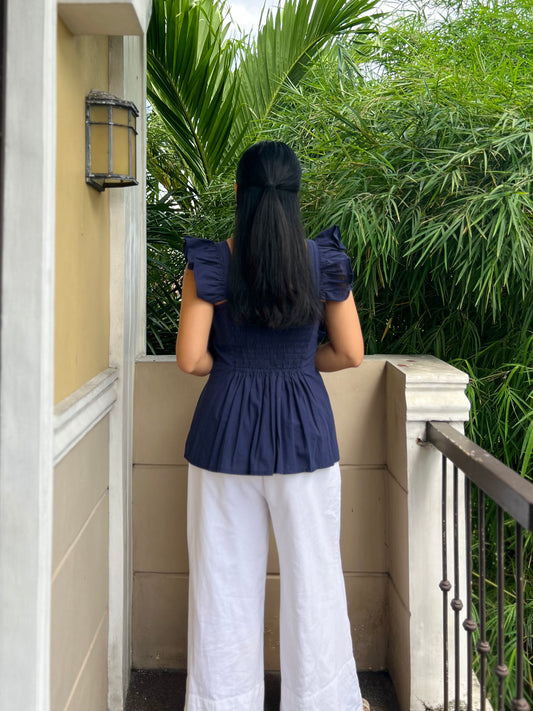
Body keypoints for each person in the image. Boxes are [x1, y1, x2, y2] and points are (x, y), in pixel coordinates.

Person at [176, 140, 365, 711]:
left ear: (239, 193)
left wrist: (233, 368)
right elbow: (352, 353)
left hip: (223, 436)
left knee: (222, 585)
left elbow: (190, 359)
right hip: (305, 434)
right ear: (295, 196)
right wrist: (300, 366)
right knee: (316, 580)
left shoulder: (212, 263)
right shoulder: (321, 261)